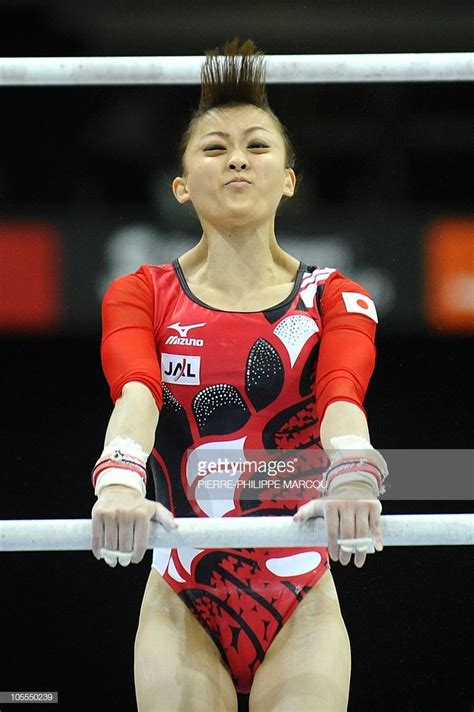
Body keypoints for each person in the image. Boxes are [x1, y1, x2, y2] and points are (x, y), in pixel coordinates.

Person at [91, 38, 388, 712]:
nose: (236, 159)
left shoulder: (335, 296)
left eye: (257, 146)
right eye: (214, 148)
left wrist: (350, 472)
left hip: (300, 591)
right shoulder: (142, 293)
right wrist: (117, 481)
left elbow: (342, 393)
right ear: (181, 184)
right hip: (180, 596)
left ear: (288, 177)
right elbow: (136, 391)